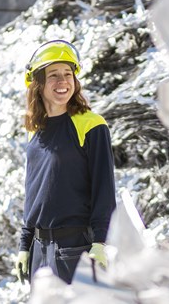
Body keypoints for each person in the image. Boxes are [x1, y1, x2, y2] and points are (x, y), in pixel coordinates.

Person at [15, 40, 117, 284]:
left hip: (75, 248)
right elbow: (34, 192)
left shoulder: (91, 125)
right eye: (53, 75)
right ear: (38, 84)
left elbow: (104, 189)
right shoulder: (35, 129)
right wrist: (25, 244)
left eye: (67, 74)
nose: (62, 82)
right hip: (40, 251)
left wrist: (100, 243)